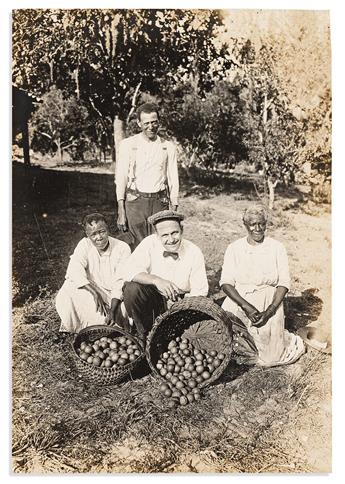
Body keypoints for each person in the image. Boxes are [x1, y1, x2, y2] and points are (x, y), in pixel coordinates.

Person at [220, 204, 305, 367]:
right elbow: (226, 283)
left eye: (261, 223)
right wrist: (246, 307)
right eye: (252, 224)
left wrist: (270, 311)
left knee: (270, 358)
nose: (257, 228)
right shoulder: (234, 248)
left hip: (269, 299)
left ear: (266, 224)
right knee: (225, 343)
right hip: (240, 299)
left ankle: (279, 337)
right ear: (245, 225)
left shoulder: (277, 247)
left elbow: (284, 283)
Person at [122, 210, 208, 341]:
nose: (171, 240)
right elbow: (128, 270)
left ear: (182, 230)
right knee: (132, 289)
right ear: (157, 235)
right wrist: (156, 280)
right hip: (152, 301)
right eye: (165, 235)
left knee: (179, 339)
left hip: (182, 304)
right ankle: (143, 335)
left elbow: (200, 291)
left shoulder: (194, 252)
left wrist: (181, 306)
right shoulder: (149, 243)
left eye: (175, 233)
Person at [115, 102, 179, 249]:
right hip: (135, 202)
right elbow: (121, 177)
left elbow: (173, 178)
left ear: (159, 122)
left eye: (154, 122)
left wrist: (173, 209)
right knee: (137, 247)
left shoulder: (168, 146)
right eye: (146, 123)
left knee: (161, 245)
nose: (151, 127)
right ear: (139, 123)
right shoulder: (128, 144)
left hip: (159, 201)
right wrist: (121, 210)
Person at [55, 213, 131, 333]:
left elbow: (120, 281)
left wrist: (113, 308)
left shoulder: (122, 248)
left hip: (116, 296)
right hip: (95, 290)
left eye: (102, 231)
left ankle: (107, 324)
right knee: (67, 289)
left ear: (108, 230)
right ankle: (85, 326)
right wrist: (95, 293)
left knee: (123, 313)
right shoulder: (85, 244)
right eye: (93, 234)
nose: (99, 237)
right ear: (87, 235)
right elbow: (74, 269)